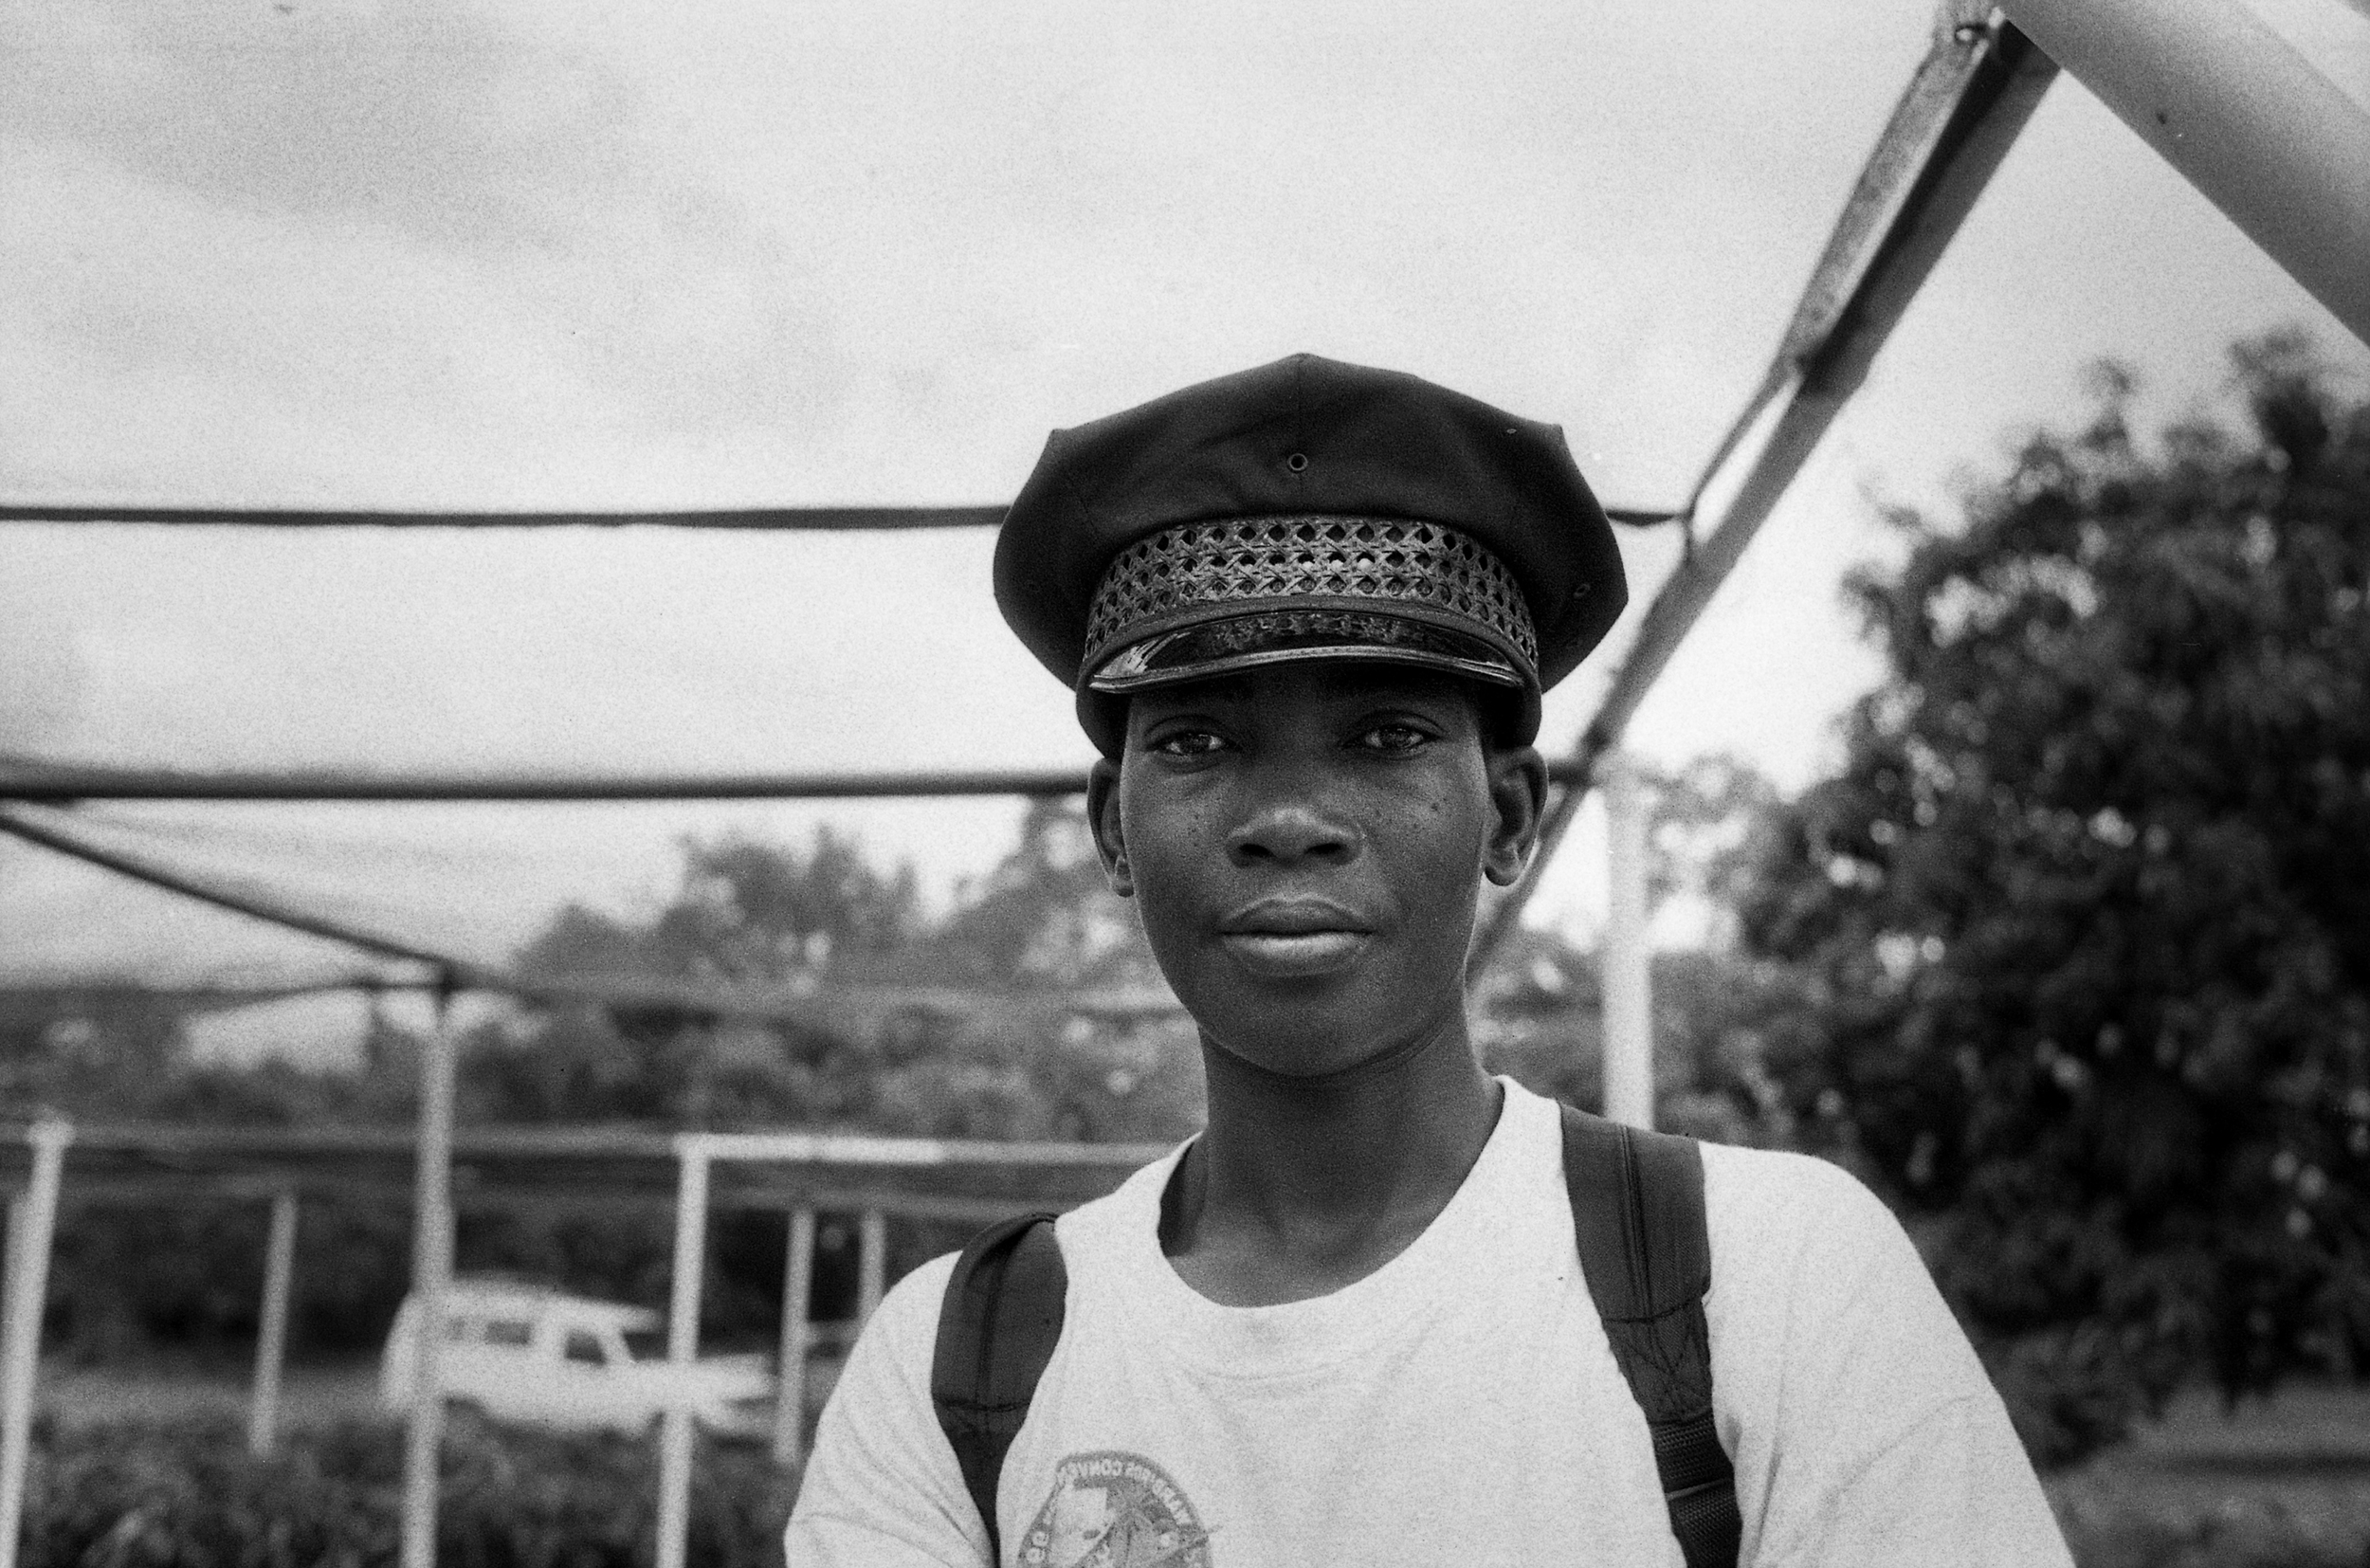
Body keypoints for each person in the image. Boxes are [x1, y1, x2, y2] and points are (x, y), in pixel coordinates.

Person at [783, 355, 2072, 1566]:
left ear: (1510, 814)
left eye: (1387, 733)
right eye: (1196, 743)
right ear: (1115, 826)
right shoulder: (958, 1365)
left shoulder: (1770, 1282)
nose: (1290, 816)